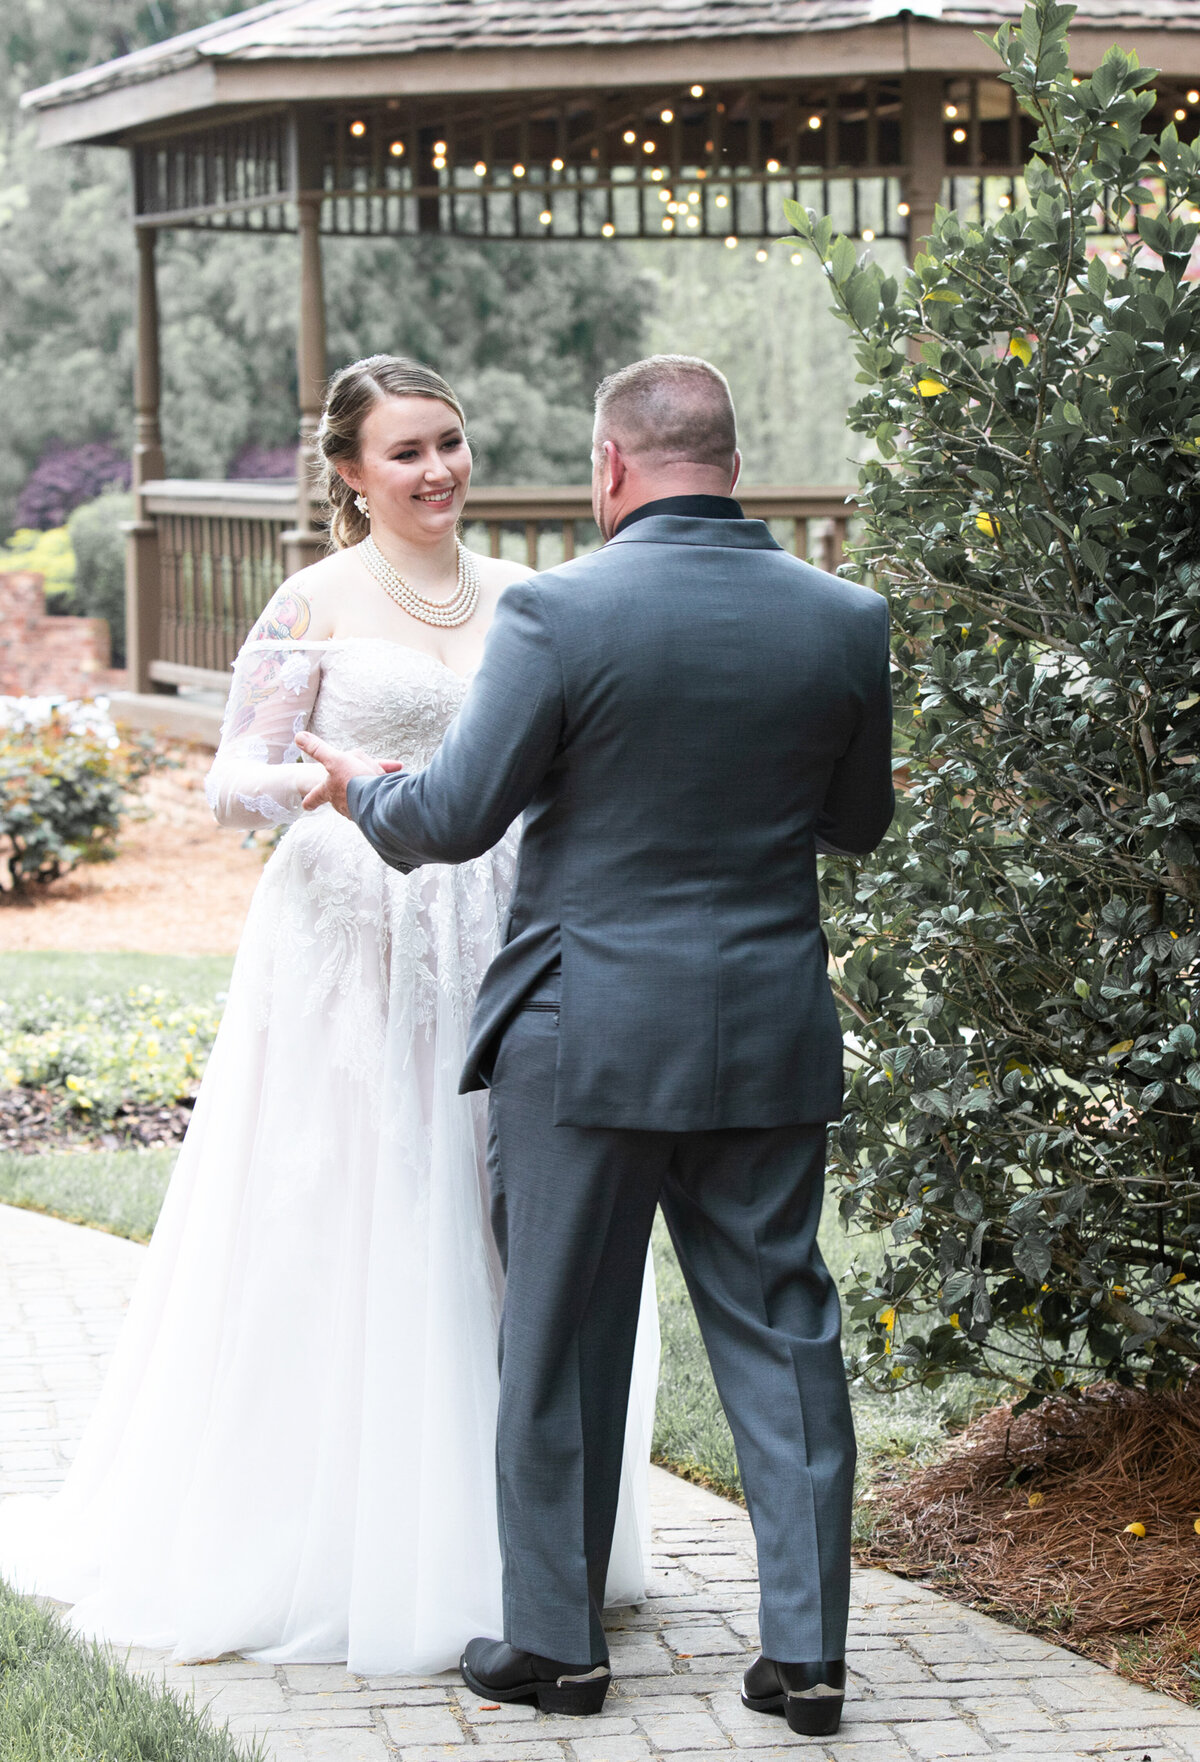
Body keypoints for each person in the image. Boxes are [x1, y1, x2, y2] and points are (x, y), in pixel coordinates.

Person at [0, 354, 659, 1673]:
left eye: (451, 444)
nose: (437, 473)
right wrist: (347, 789)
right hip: (355, 935)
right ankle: (337, 1531)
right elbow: (231, 780)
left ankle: (519, 1543)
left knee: (508, 1221)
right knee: (362, 1204)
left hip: (504, 929)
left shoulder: (529, 599)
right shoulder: (310, 601)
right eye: (407, 452)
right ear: (350, 473)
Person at [298, 352, 894, 1735]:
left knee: (559, 1332)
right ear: (732, 461)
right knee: (785, 1329)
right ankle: (808, 1657)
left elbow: (451, 815)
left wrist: (357, 787)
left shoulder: (559, 614)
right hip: (761, 1023)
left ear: (609, 468)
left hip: (584, 1031)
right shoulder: (845, 616)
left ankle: (557, 1647)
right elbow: (856, 823)